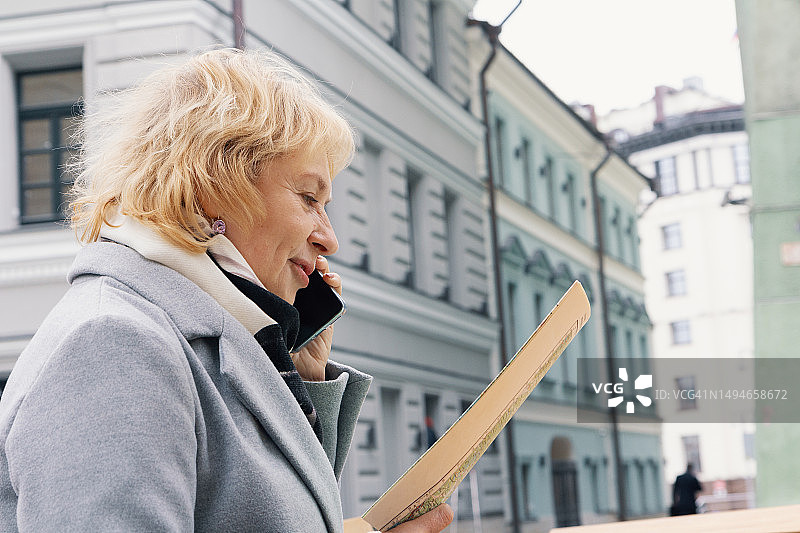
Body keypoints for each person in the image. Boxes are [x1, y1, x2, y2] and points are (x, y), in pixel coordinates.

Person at [0, 48, 452, 532]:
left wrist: (301, 379)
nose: (329, 238)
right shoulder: (114, 344)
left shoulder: (201, 336)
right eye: (309, 198)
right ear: (216, 184)